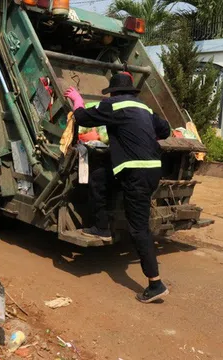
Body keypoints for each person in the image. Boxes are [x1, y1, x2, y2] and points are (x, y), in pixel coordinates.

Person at [65, 72, 171, 303]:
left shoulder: (112, 105)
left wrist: (77, 100)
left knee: (138, 229)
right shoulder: (144, 108)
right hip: (152, 169)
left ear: (112, 92)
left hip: (136, 173)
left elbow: (83, 118)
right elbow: (165, 131)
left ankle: (155, 283)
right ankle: (102, 226)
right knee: (100, 177)